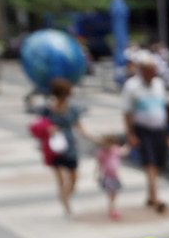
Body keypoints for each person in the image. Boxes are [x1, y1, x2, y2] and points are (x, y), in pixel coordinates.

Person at [121, 51, 169, 212]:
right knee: (150, 162)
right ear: (142, 71)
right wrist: (130, 134)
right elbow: (127, 112)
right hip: (143, 130)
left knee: (157, 163)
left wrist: (168, 131)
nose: (153, 74)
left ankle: (151, 195)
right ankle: (156, 197)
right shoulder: (131, 86)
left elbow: (163, 107)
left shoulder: (159, 84)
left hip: (159, 129)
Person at [44, 78, 90, 215]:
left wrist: (95, 138)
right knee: (61, 179)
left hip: (70, 145)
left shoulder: (72, 109)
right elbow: (41, 126)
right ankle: (66, 204)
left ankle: (65, 197)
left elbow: (80, 128)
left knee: (74, 177)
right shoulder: (48, 110)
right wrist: (49, 129)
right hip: (55, 146)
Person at [95, 130, 127, 220]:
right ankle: (112, 207)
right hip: (107, 176)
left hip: (115, 175)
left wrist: (129, 143)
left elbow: (124, 151)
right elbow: (99, 164)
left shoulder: (116, 150)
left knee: (115, 191)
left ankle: (113, 206)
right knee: (111, 191)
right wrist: (97, 175)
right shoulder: (102, 152)